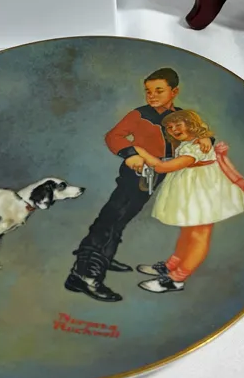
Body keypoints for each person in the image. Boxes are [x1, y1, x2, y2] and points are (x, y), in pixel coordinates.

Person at [65, 68, 188, 303]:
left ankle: (104, 255)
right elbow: (114, 137)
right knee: (112, 216)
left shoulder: (181, 116)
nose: (152, 96)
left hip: (159, 174)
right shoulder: (139, 115)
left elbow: (197, 135)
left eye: (159, 91)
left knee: (124, 216)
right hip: (136, 172)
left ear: (174, 92)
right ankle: (84, 273)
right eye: (148, 91)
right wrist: (131, 154)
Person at [134, 110, 244, 294]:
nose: (173, 129)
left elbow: (163, 167)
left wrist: (138, 150)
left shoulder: (197, 146)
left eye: (178, 125)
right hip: (194, 192)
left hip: (204, 194)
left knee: (198, 236)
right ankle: (170, 266)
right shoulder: (192, 143)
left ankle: (177, 279)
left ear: (191, 124)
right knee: (188, 233)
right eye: (169, 127)